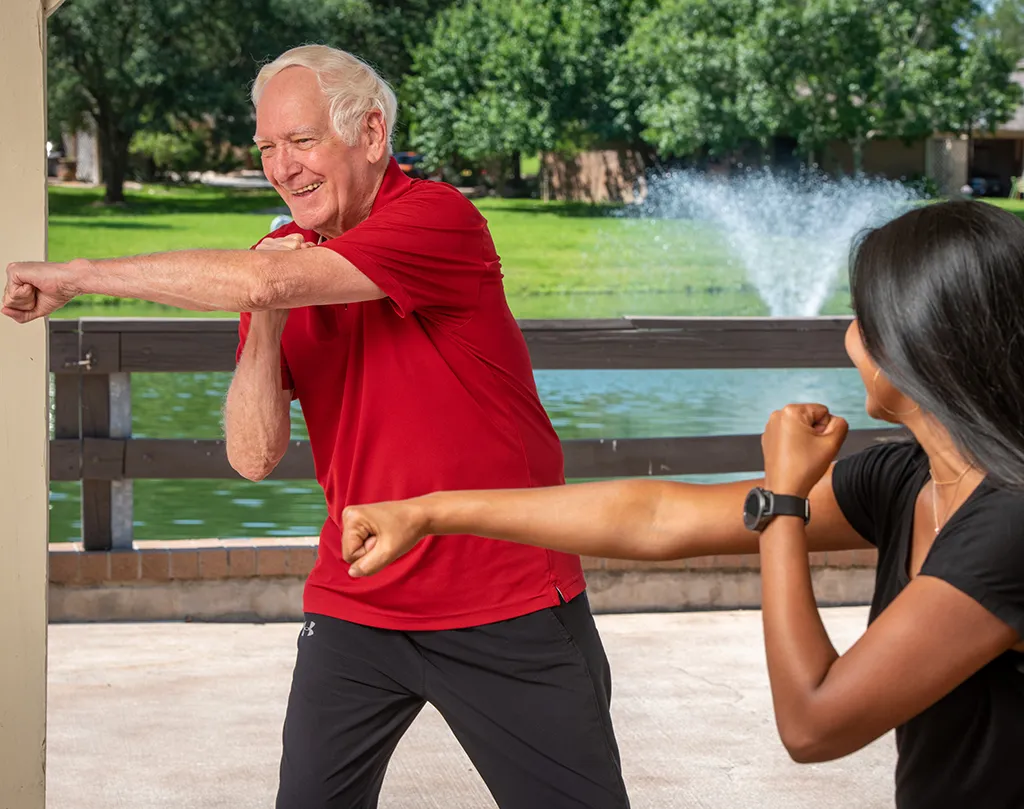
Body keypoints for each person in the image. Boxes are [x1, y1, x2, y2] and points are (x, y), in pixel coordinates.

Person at [3, 45, 630, 809]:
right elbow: (253, 454)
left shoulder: (437, 218)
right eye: (267, 147)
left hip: (503, 600)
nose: (281, 167)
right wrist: (263, 321)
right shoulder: (283, 271)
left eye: (301, 142)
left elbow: (269, 276)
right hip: (356, 600)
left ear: (369, 135)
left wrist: (77, 276)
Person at [339, 200, 1024, 809]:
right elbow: (657, 515)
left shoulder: (1009, 522)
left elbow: (815, 722)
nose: (850, 331)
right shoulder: (914, 477)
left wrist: (783, 500)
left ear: (919, 340)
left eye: (865, 313)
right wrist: (429, 512)